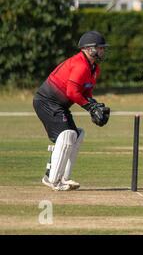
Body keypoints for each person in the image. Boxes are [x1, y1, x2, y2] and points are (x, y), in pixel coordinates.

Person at [33, 31, 111, 191]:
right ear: (89, 49)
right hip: (47, 102)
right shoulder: (80, 65)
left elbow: (86, 92)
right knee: (67, 135)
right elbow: (72, 92)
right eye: (100, 48)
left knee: (77, 135)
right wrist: (89, 107)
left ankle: (63, 177)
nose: (103, 51)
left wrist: (93, 105)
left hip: (59, 105)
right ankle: (52, 180)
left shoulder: (94, 69)